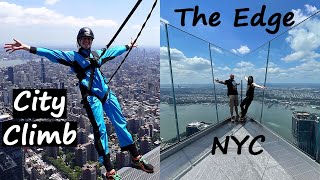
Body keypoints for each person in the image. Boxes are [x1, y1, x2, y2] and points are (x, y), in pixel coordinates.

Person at [4, 27, 154, 180]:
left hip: (106, 93)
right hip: (91, 96)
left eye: (89, 39)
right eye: (83, 39)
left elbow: (114, 51)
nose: (86, 41)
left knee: (120, 122)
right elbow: (52, 53)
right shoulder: (73, 57)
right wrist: (28, 48)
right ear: (79, 41)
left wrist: (128, 46)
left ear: (91, 41)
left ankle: (136, 158)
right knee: (100, 129)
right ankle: (110, 171)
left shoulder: (98, 54)